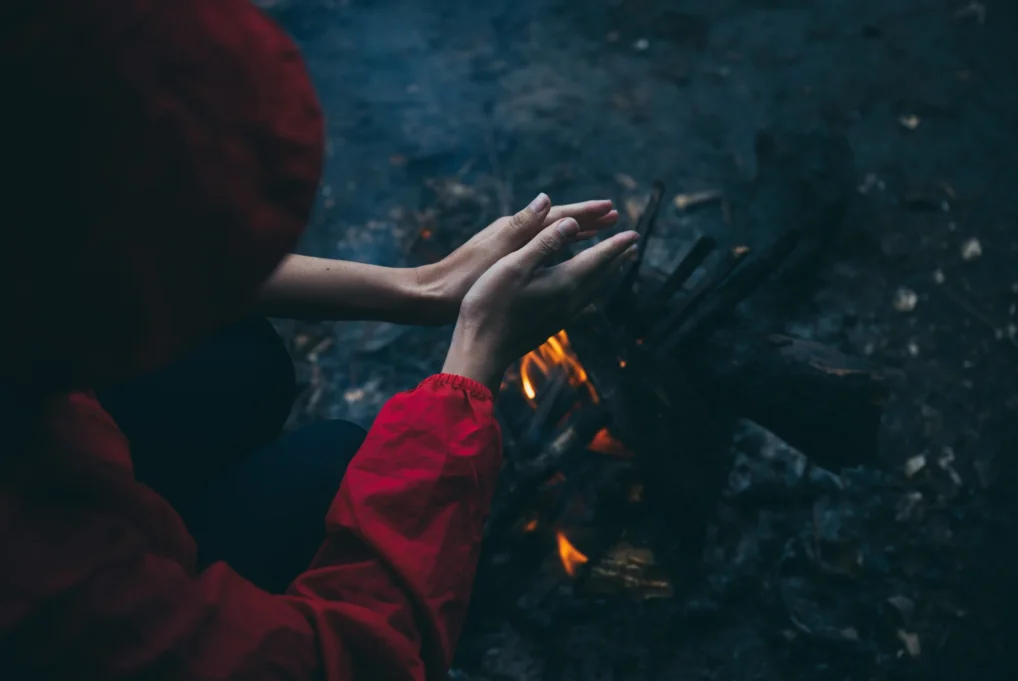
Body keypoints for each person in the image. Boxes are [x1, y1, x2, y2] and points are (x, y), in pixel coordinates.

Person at [0, 1, 639, 679]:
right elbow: (354, 661)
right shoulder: (56, 593)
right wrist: (473, 363)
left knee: (235, 361)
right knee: (335, 467)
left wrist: (418, 286)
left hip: (71, 440)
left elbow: (112, 259)